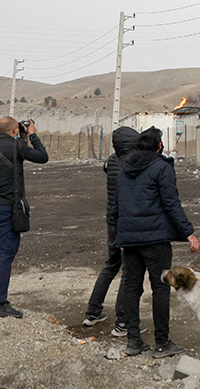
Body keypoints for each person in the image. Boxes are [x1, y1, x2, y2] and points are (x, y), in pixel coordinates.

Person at [113, 127, 199, 358]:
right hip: (155, 240)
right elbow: (171, 203)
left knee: (132, 288)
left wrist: (119, 237)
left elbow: (116, 207)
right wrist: (189, 233)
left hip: (130, 240)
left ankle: (134, 342)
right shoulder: (161, 167)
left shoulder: (124, 171)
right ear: (159, 145)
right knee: (160, 289)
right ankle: (162, 344)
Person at [0, 116, 49, 318]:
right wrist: (32, 135)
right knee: (5, 255)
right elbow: (42, 156)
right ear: (15, 130)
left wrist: (20, 138)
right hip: (5, 208)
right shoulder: (17, 147)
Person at [82, 126, 143, 337]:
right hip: (125, 222)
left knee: (111, 265)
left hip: (113, 221)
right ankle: (124, 322)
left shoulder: (113, 161)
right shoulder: (131, 164)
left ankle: (93, 312)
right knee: (128, 271)